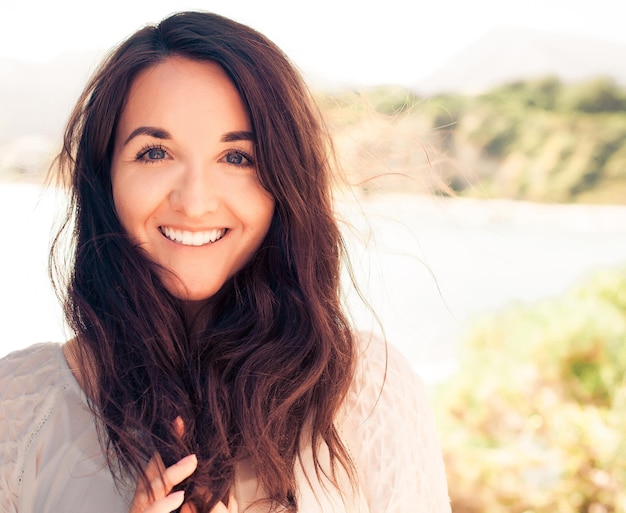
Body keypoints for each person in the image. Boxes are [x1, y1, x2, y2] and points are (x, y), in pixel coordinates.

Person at [0, 11, 450, 513]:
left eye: (237, 158)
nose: (194, 203)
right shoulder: (20, 408)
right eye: (154, 153)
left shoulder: (368, 389)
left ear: (285, 181)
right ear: (104, 178)